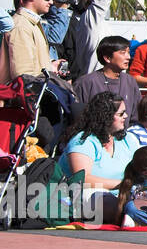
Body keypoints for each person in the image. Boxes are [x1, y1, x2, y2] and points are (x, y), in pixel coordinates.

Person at [53, 91, 140, 224]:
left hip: (125, 194)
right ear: (106, 116)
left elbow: (141, 166)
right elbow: (82, 179)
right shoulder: (83, 141)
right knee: (105, 200)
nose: (126, 116)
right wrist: (123, 185)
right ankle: (131, 217)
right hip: (81, 194)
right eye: (121, 114)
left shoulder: (128, 140)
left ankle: (136, 216)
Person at [0, 0, 62, 83]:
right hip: (27, 97)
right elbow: (23, 75)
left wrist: (50, 66)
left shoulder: (29, 23)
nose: (51, 2)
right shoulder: (21, 26)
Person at [73, 35, 141, 130]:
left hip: (123, 139)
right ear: (107, 58)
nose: (128, 57)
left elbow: (136, 117)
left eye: (128, 53)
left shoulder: (130, 81)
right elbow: (77, 119)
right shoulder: (86, 82)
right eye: (123, 53)